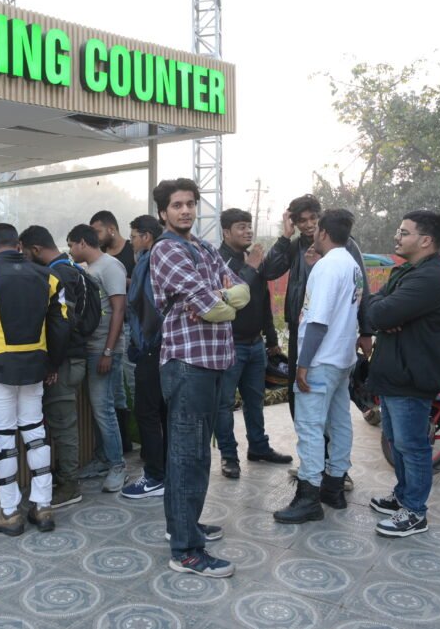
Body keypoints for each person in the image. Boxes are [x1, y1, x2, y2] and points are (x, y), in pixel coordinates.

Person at [150, 178, 249, 578]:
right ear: (163, 212)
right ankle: (186, 550)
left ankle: (183, 525)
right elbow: (213, 306)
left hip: (213, 362)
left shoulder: (205, 247)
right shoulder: (166, 249)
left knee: (193, 453)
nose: (186, 210)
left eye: (190, 203)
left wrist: (218, 299)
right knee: (188, 456)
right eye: (177, 205)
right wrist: (218, 299)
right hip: (187, 363)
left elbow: (241, 291)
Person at [0, 223, 69, 536]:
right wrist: (52, 363)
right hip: (35, 367)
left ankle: (9, 512)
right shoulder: (48, 276)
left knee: (4, 438)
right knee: (36, 433)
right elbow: (61, 325)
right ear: (19, 245)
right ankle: (43, 506)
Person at [366, 211, 440, 537]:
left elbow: (379, 312)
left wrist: (384, 311)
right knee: (397, 441)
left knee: (413, 445)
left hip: (412, 376)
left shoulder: (430, 278)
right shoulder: (408, 271)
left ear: (426, 240)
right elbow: (374, 304)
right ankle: (403, 496)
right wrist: (383, 309)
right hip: (396, 373)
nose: (397, 237)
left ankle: (416, 512)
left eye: (404, 233)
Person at [273, 210, 363, 524]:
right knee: (339, 423)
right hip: (343, 358)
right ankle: (334, 487)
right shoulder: (352, 264)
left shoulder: (327, 266)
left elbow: (318, 321)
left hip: (321, 360)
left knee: (310, 427)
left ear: (323, 232)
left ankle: (308, 495)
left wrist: (303, 364)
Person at [264, 196, 373, 421]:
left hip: (333, 328)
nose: (309, 224)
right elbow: (269, 272)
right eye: (301, 220)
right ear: (294, 223)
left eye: (313, 218)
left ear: (320, 218)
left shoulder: (345, 245)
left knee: (330, 392)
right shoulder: (294, 246)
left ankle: (324, 441)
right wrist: (285, 236)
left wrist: (366, 331)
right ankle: (310, 439)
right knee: (299, 391)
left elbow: (362, 286)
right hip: (301, 329)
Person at [215, 208, 292, 480]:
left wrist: (271, 339)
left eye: (249, 226)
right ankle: (228, 456)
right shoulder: (217, 261)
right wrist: (252, 266)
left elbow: (262, 300)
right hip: (229, 345)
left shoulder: (252, 259)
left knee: (254, 401)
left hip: (255, 344)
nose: (248, 231)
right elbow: (229, 295)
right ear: (226, 232)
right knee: (224, 404)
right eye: (241, 227)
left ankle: (258, 447)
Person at [19, 224, 89, 509]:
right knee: (62, 422)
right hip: (72, 357)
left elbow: (62, 324)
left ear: (35, 249)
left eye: (24, 253)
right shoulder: (70, 268)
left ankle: (70, 485)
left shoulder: (57, 274)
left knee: (63, 424)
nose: (23, 259)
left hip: (65, 360)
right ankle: (65, 479)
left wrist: (53, 363)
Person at [68, 224, 129, 492]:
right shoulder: (89, 269)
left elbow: (119, 310)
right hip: (91, 348)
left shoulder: (110, 266)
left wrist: (108, 351)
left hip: (104, 350)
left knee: (104, 409)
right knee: (99, 408)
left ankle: (118, 466)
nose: (70, 251)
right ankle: (103, 459)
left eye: (71, 245)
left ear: (82, 242)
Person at [121, 214, 167, 499]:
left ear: (146, 236)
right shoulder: (163, 256)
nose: (132, 242)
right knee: (163, 411)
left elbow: (147, 306)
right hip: (166, 348)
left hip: (152, 347)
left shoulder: (149, 261)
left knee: (147, 412)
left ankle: (155, 476)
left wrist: (144, 345)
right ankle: (167, 471)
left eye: (134, 237)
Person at [91, 210, 136, 451]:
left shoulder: (131, 251)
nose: (94, 237)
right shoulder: (100, 256)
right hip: (108, 329)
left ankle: (146, 441)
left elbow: (143, 282)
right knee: (116, 387)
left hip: (130, 325)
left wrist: (117, 280)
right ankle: (123, 443)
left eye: (97, 231)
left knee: (133, 382)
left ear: (111, 229)